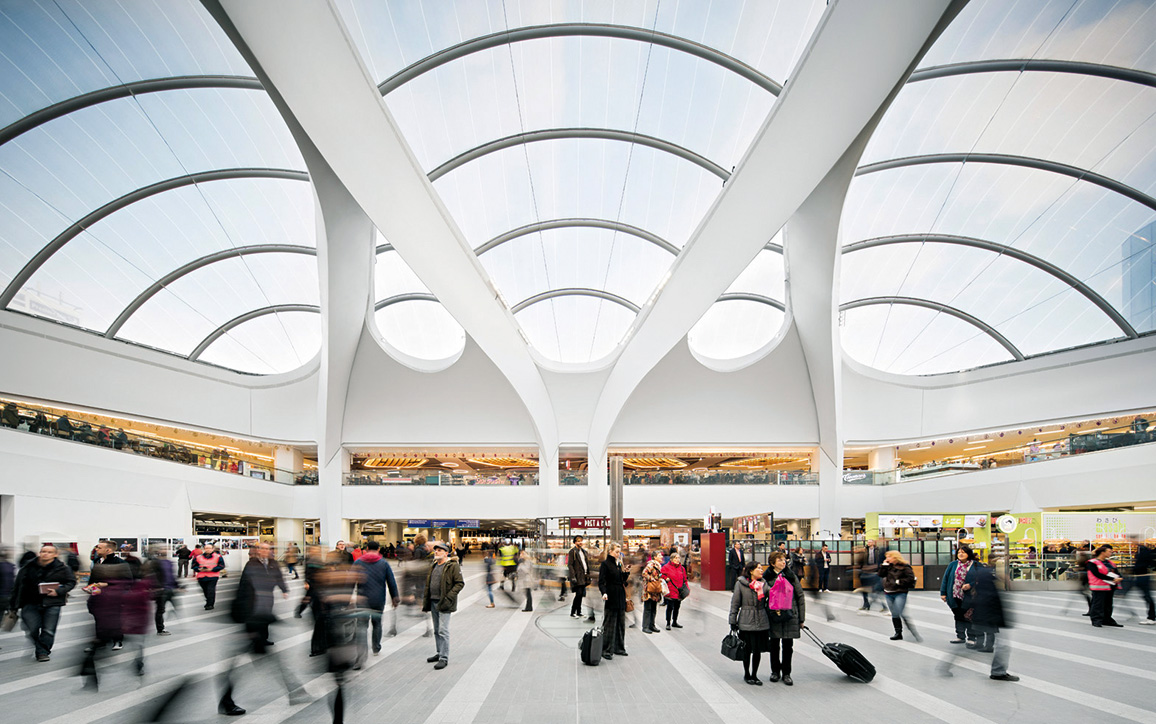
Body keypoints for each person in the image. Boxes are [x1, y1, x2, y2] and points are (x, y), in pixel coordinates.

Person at [219, 541, 301, 716]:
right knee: (249, 663)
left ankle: (295, 691)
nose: (265, 551)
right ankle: (226, 702)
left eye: (267, 549)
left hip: (260, 617)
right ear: (256, 551)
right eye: (262, 548)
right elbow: (244, 591)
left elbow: (275, 579)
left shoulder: (271, 564)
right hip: (252, 619)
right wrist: (246, 619)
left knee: (259, 660)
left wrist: (283, 590)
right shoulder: (252, 566)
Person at [8, 544, 76, 661]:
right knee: (32, 628)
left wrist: (58, 591)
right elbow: (18, 586)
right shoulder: (28, 566)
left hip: (52, 603)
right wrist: (13, 605)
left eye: (49, 552)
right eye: (43, 551)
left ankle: (42, 652)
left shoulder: (62, 568)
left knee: (48, 630)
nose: (46, 554)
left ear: (55, 554)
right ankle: (39, 645)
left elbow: (71, 582)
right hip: (30, 602)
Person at [353, 540, 399, 659]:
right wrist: (395, 597)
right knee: (377, 624)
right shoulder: (383, 563)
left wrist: (346, 597)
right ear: (379, 549)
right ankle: (376, 648)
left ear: (367, 548)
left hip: (362, 599)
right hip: (378, 599)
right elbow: (391, 582)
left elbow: (350, 581)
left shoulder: (358, 562)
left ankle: (362, 650)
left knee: (362, 625)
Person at [764, 551, 804, 685]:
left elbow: (800, 596)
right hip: (773, 615)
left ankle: (787, 673)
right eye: (780, 560)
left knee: (788, 646)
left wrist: (801, 618)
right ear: (772, 563)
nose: (783, 562)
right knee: (774, 645)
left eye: (784, 559)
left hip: (790, 615)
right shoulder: (766, 578)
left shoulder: (791, 576)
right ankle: (775, 671)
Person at [422, 541, 464, 670]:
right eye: (436, 550)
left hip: (444, 602)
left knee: (443, 630)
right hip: (433, 601)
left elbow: (460, 583)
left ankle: (444, 658)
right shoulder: (434, 565)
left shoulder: (452, 566)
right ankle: (439, 652)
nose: (436, 552)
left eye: (440, 550)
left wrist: (448, 597)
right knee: (436, 630)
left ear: (446, 553)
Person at [729, 560, 769, 685]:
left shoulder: (764, 584)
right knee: (747, 649)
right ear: (751, 571)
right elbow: (735, 604)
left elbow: (772, 596)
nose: (761, 570)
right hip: (746, 620)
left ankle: (754, 674)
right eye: (759, 568)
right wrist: (732, 620)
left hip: (761, 620)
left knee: (757, 650)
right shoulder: (740, 584)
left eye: (762, 568)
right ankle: (747, 674)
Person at [939, 545, 978, 646]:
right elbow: (946, 579)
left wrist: (970, 585)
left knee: (969, 616)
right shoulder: (953, 565)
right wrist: (943, 593)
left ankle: (971, 637)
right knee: (958, 615)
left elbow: (982, 579)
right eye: (959, 552)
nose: (960, 554)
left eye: (963, 552)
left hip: (971, 596)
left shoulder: (976, 565)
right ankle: (960, 636)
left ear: (968, 554)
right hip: (954, 595)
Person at [881, 550, 921, 641]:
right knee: (894, 614)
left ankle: (911, 630)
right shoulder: (887, 566)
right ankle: (898, 632)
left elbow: (910, 578)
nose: (887, 559)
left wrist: (899, 582)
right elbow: (880, 574)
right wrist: (884, 566)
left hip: (900, 592)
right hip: (888, 592)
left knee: (899, 612)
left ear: (895, 557)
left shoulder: (905, 567)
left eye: (889, 557)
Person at [599, 542, 628, 660]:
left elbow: (622, 580)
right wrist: (604, 593)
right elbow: (602, 581)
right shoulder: (605, 564)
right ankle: (606, 649)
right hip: (611, 595)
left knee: (621, 623)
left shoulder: (618, 564)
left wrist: (625, 573)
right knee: (609, 623)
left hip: (620, 595)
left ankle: (619, 648)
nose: (618, 554)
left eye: (619, 552)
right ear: (610, 551)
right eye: (616, 552)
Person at [143, 544, 179, 635]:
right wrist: (155, 587)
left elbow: (171, 575)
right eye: (162, 549)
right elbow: (149, 576)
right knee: (160, 610)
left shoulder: (169, 562)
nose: (164, 551)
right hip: (161, 589)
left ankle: (168, 620)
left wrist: (177, 585)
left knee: (175, 607)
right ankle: (160, 629)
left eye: (166, 549)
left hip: (170, 589)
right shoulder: (153, 562)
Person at [1087, 544, 1123, 627]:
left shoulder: (1111, 563)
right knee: (1098, 603)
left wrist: (1120, 577)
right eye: (1109, 551)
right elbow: (1097, 574)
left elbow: (1117, 572)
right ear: (1102, 552)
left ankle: (1107, 619)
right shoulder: (1092, 562)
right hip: (1099, 586)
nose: (1111, 553)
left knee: (1108, 604)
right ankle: (1096, 620)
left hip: (1110, 586)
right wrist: (1112, 579)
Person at [1125, 539, 1155, 625]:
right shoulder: (1143, 551)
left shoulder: (1143, 552)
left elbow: (1140, 565)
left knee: (1147, 596)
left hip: (1142, 577)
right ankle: (1150, 616)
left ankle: (1151, 617)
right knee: (1146, 596)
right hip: (1141, 577)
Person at [192, 542, 225, 610]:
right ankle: (208, 600)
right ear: (204, 549)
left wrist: (212, 569)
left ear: (213, 549)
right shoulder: (199, 557)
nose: (208, 549)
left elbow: (221, 566)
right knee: (205, 590)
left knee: (211, 590)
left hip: (213, 576)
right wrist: (198, 569)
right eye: (206, 548)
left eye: (209, 548)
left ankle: (210, 604)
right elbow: (193, 566)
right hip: (201, 577)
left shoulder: (218, 556)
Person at [856, 540, 886, 612]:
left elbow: (880, 559)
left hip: (875, 571)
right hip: (866, 570)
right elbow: (860, 561)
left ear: (873, 543)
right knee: (864, 590)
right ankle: (866, 604)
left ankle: (883, 606)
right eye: (868, 542)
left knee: (876, 590)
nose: (868, 543)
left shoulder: (877, 551)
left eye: (870, 542)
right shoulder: (865, 551)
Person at [661, 550, 687, 630]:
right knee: (670, 607)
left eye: (678, 558)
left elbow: (685, 579)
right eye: (676, 558)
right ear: (672, 559)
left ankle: (674, 621)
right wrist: (666, 578)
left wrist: (686, 589)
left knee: (677, 607)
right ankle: (668, 623)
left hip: (679, 591)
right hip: (671, 590)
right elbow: (661, 575)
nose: (678, 559)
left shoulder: (682, 568)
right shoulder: (666, 567)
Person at [568, 535, 592, 620]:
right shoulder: (572, 552)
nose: (580, 542)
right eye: (578, 541)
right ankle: (572, 612)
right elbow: (570, 565)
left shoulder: (584, 552)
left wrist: (588, 574)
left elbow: (586, 564)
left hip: (584, 576)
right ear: (575, 542)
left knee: (581, 594)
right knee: (578, 594)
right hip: (578, 576)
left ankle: (579, 611)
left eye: (581, 540)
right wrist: (573, 576)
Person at [641, 555, 664, 634]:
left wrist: (659, 579)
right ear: (655, 557)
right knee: (648, 608)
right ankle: (645, 626)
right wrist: (653, 579)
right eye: (659, 555)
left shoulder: (658, 565)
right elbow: (644, 573)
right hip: (649, 590)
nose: (661, 557)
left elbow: (658, 575)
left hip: (655, 589)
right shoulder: (651, 565)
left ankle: (652, 625)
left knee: (654, 608)